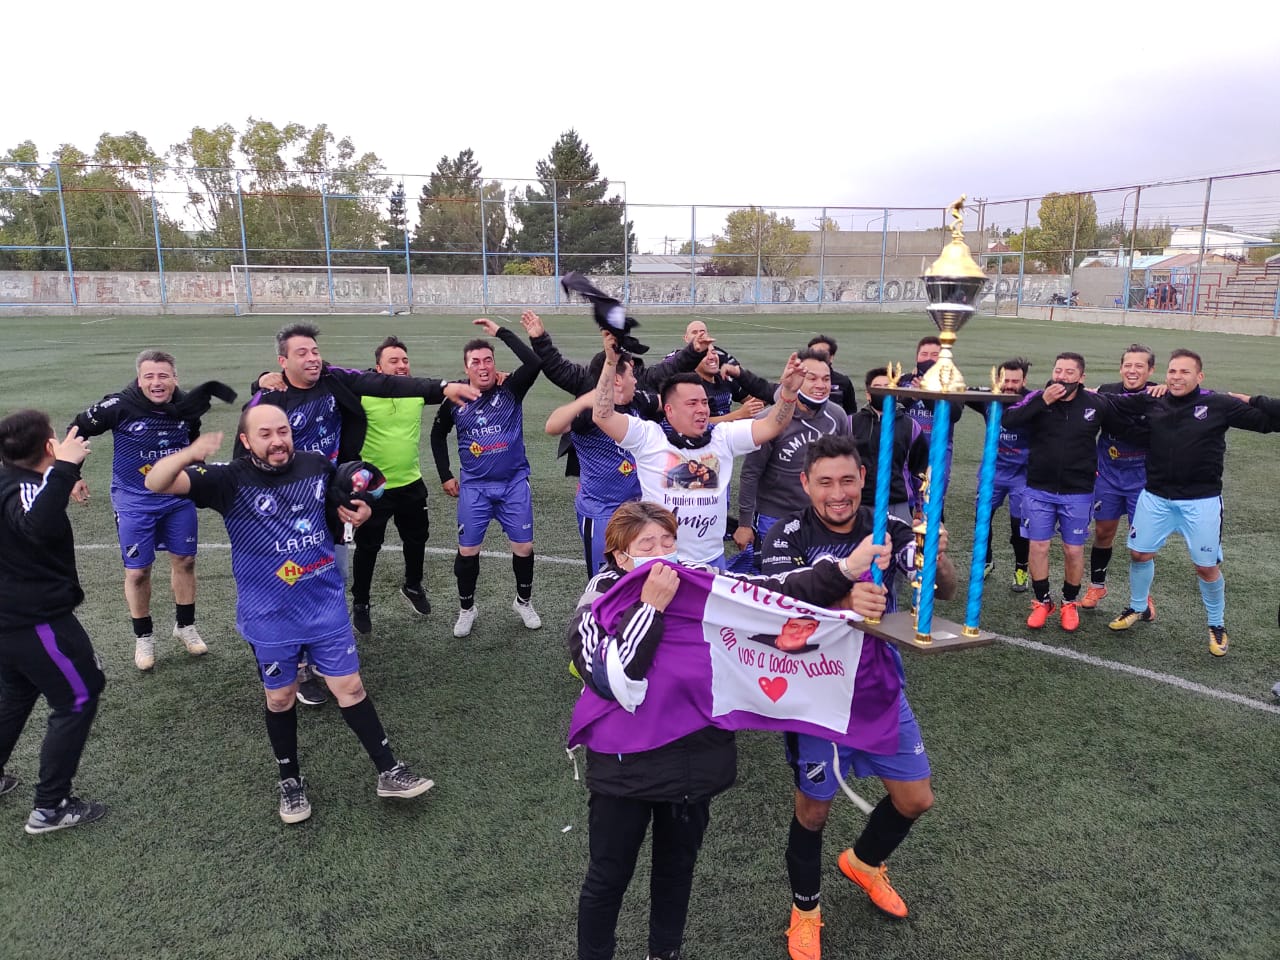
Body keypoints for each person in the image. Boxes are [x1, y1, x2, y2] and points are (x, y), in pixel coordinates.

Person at [568, 500, 887, 960]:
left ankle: (664, 954)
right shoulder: (599, 600)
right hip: (624, 770)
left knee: (676, 873)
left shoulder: (698, 580)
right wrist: (651, 607)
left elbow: (773, 591)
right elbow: (615, 679)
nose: (661, 553)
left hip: (692, 763)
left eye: (667, 541)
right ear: (620, 556)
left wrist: (845, 570)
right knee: (608, 876)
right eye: (646, 545)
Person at [144, 404, 435, 823]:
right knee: (280, 699)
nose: (277, 440)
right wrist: (190, 454)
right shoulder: (229, 479)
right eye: (264, 433)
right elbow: (157, 482)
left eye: (282, 430)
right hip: (269, 613)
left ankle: (389, 771)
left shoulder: (316, 465)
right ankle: (290, 780)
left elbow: (350, 502)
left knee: (350, 688)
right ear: (246, 441)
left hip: (324, 604)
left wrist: (363, 511)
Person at [759, 435, 956, 959]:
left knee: (916, 799)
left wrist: (936, 556)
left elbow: (944, 589)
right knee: (813, 813)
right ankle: (806, 912)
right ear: (805, 484)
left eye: (848, 480)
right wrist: (845, 598)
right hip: (814, 695)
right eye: (825, 482)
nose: (838, 493)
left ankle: (864, 863)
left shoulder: (888, 528)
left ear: (863, 479)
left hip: (876, 687)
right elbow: (776, 598)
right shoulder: (787, 533)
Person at [250, 322, 478, 703]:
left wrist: (442, 387)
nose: (312, 358)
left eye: (314, 351)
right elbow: (247, 460)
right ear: (282, 360)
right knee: (290, 584)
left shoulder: (334, 379)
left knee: (331, 576)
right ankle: (298, 665)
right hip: (286, 510)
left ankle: (321, 653)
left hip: (330, 502)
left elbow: (390, 385)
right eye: (302, 353)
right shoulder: (268, 401)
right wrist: (260, 382)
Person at [1103, 352, 1280, 655]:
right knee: (1139, 553)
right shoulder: (1153, 400)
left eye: (1185, 371)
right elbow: (1114, 408)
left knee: (1206, 567)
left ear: (1200, 377)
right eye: (1172, 371)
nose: (1176, 377)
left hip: (1201, 502)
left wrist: (1253, 400)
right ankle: (1137, 607)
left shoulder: (1219, 404)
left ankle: (1216, 625)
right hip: (1155, 497)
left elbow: (1269, 423)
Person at [69, 351, 237, 671]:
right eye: (149, 376)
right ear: (139, 379)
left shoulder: (187, 407)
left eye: (163, 376)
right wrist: (73, 475)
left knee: (185, 561)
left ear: (175, 378)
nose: (156, 383)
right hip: (134, 500)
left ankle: (184, 626)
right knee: (137, 571)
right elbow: (77, 429)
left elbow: (193, 440)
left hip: (176, 498)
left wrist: (199, 478)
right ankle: (143, 636)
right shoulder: (118, 406)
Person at [592, 337, 807, 568]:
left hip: (712, 562)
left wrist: (789, 391)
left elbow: (772, 425)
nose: (702, 409)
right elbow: (602, 415)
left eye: (704, 402)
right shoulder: (648, 437)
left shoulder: (723, 436)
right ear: (669, 410)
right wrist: (610, 364)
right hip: (663, 562)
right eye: (692, 403)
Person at [0, 410, 107, 834]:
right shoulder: (27, 488)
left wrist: (60, 472)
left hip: (10, 621)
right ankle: (51, 806)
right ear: (48, 446)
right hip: (35, 622)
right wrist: (65, 467)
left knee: (16, 692)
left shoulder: (10, 479)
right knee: (79, 696)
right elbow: (37, 525)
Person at [1001, 352, 1133, 632]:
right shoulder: (1038, 398)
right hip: (1038, 488)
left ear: (1082, 378)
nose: (1062, 376)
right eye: (1058, 370)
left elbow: (1123, 428)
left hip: (1079, 491)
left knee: (1073, 550)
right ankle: (1041, 601)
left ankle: (1069, 603)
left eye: (1070, 372)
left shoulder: (1096, 404)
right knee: (1039, 546)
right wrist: (1042, 401)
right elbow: (1009, 420)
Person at [430, 318, 543, 638]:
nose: (483, 367)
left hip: (513, 485)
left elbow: (534, 361)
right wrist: (445, 475)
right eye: (475, 362)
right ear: (465, 368)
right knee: (468, 552)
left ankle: (523, 602)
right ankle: (467, 608)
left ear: (495, 364)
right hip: (474, 489)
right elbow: (437, 436)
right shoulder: (455, 398)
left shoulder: (511, 389)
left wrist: (501, 333)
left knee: (523, 547)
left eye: (488, 360)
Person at [350, 337, 435, 636]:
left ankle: (413, 585)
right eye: (393, 361)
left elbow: (454, 386)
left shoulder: (416, 392)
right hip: (374, 489)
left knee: (417, 539)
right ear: (378, 367)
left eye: (404, 360)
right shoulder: (363, 393)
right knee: (368, 547)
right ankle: (360, 602)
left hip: (411, 482)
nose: (401, 366)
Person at [734, 348, 853, 558]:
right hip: (775, 517)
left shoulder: (837, 416)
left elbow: (846, 466)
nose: (821, 385)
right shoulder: (768, 420)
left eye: (826, 379)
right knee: (778, 583)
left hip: (822, 517)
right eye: (812, 378)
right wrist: (744, 523)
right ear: (797, 379)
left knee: (823, 581)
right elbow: (751, 473)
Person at [545, 350, 655, 575]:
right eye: (632, 374)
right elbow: (553, 426)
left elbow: (674, 406)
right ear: (617, 379)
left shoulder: (638, 403)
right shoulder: (591, 411)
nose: (635, 380)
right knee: (605, 581)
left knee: (641, 575)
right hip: (602, 512)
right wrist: (585, 400)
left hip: (639, 509)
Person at [1081, 345, 1157, 612]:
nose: (1132, 370)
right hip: (1109, 477)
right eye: (1128, 365)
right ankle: (1097, 586)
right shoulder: (1106, 391)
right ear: (1121, 367)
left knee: (1142, 544)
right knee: (1103, 532)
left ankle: (1142, 596)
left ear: (1151, 370)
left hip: (1143, 480)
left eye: (1139, 366)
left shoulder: (1161, 394)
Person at [966, 358, 1032, 591]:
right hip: (992, 473)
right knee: (982, 519)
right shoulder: (990, 398)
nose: (1010, 385)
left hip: (1022, 476)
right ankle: (986, 561)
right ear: (997, 379)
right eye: (1005, 380)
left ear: (1024, 380)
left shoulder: (1033, 401)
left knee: (1019, 526)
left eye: (1016, 381)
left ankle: (1021, 568)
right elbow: (960, 393)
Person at [849, 367, 928, 525]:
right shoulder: (850, 423)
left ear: (897, 392)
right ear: (868, 394)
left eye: (888, 387)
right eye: (878, 388)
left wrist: (921, 508)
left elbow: (919, 471)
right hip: (858, 502)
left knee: (899, 547)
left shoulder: (911, 427)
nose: (883, 392)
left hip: (896, 502)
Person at [897, 336, 962, 502]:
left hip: (937, 453)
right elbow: (891, 411)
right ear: (916, 357)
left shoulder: (953, 385)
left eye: (934, 355)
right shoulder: (903, 381)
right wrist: (911, 396)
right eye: (924, 354)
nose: (928, 359)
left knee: (932, 503)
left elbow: (954, 414)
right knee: (904, 501)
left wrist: (925, 395)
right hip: (905, 452)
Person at [804, 335, 858, 415]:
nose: (816, 357)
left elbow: (850, 412)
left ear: (831, 357)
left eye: (821, 353)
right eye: (812, 353)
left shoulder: (843, 381)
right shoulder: (798, 378)